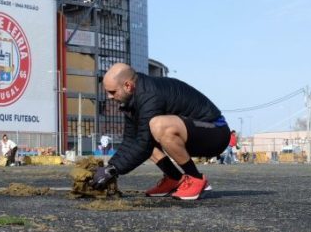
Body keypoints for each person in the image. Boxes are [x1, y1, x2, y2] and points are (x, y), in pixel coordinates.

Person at [91, 63, 230, 201]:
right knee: (143, 136)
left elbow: (144, 145)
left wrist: (114, 170)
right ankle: (174, 178)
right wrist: (110, 167)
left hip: (216, 133)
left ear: (128, 86)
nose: (109, 96)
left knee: (158, 126)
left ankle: (196, 179)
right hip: (193, 133)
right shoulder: (132, 100)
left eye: (113, 92)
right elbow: (131, 140)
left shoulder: (149, 95)